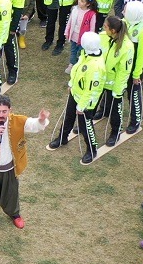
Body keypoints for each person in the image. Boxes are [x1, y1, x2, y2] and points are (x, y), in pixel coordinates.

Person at [0, 94, 51, 231]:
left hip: (9, 168)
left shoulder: (17, 121)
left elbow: (34, 125)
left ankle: (14, 214)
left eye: (4, 111)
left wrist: (41, 120)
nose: (1, 114)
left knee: (11, 193)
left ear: (10, 110)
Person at [45, 32, 106, 166]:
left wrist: (82, 106)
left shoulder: (96, 66)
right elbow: (77, 70)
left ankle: (92, 149)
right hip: (76, 94)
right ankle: (62, 138)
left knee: (85, 125)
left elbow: (91, 90)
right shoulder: (86, 54)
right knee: (68, 117)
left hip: (86, 102)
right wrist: (72, 84)